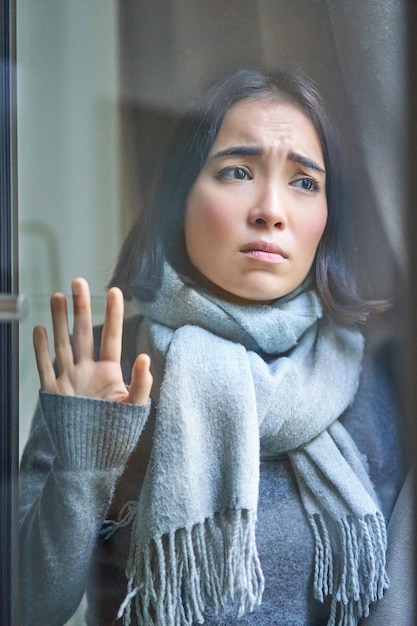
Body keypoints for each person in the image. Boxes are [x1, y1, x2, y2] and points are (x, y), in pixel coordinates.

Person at [19, 68, 405, 626]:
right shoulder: (109, 363)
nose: (271, 209)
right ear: (179, 197)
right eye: (237, 171)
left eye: (304, 182)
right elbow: (27, 607)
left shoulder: (362, 374)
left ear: (327, 216)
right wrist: (83, 466)